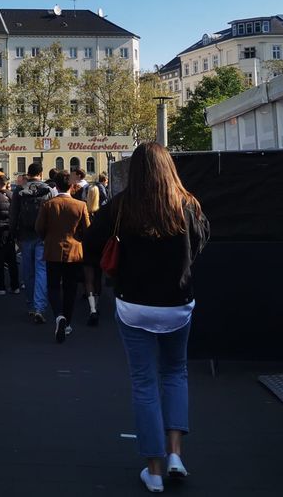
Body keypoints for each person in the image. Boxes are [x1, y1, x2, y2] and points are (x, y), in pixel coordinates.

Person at [83, 142, 209, 493]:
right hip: (177, 303)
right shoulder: (187, 204)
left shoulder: (122, 207)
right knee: (175, 373)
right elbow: (202, 241)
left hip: (134, 303)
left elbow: (91, 242)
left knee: (143, 383)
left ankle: (152, 471)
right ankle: (176, 455)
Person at [34, 170, 90, 344]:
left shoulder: (48, 204)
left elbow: (39, 227)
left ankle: (58, 315)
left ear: (56, 186)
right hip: (74, 252)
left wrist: (47, 238)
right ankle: (67, 321)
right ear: (72, 186)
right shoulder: (80, 205)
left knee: (53, 286)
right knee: (70, 288)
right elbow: (88, 230)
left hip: (52, 250)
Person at [9, 163, 53, 323]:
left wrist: (13, 234)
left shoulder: (19, 191)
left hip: (25, 235)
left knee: (27, 270)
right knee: (42, 270)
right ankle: (40, 306)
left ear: (28, 174)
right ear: (41, 174)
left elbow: (13, 214)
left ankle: (30, 305)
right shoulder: (48, 190)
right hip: (43, 235)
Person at [82, 180, 103, 325]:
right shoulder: (103, 211)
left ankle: (92, 308)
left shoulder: (83, 209)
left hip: (86, 247)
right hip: (100, 248)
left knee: (88, 278)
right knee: (98, 278)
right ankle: (97, 302)